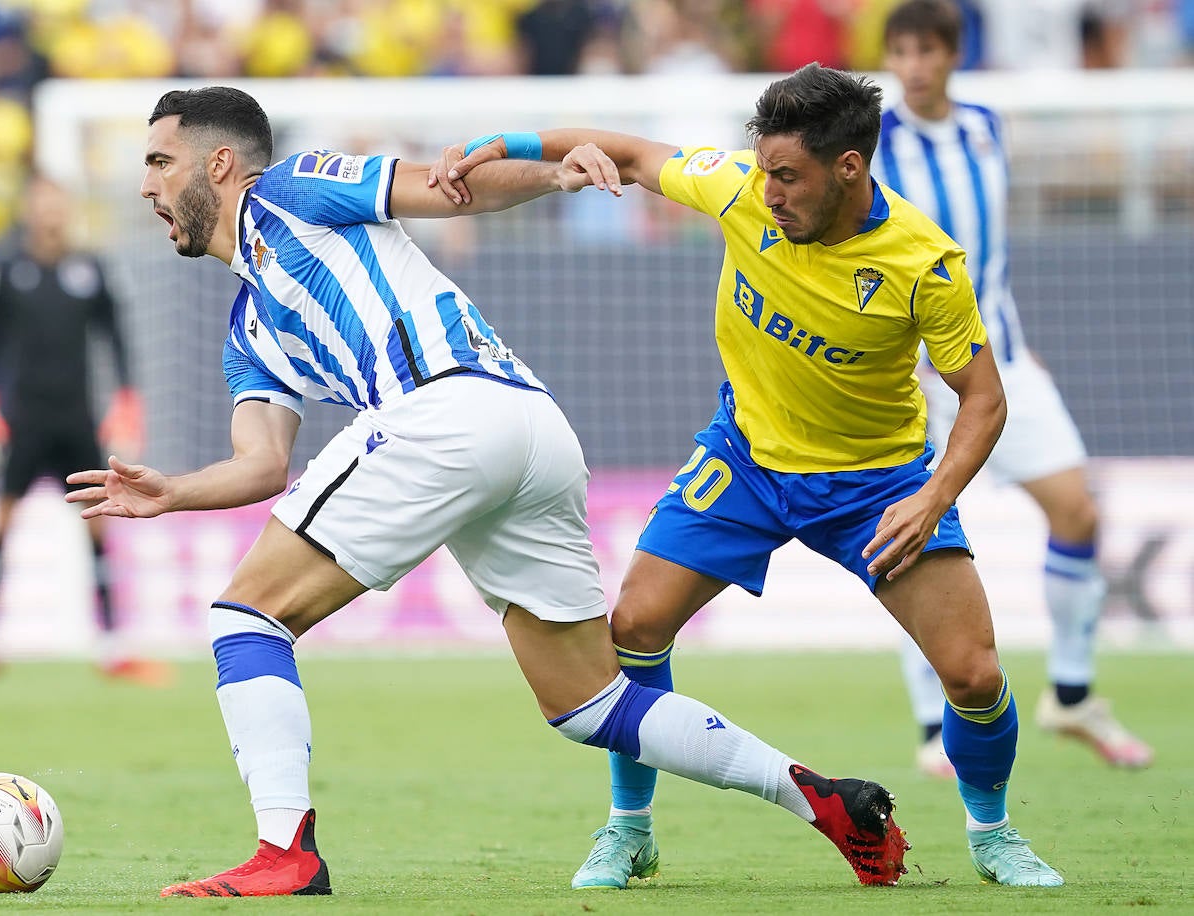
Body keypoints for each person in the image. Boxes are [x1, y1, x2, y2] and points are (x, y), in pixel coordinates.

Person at [64, 85, 909, 898]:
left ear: (219, 165)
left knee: (248, 619)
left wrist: (554, 174)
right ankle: (820, 798)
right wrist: (172, 490)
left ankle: (284, 854)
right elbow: (259, 465)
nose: (146, 185)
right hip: (530, 428)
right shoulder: (250, 331)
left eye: (159, 161)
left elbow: (447, 186)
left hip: (442, 409)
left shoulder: (291, 189)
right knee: (590, 702)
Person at [435, 63, 1064, 888]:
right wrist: (506, 142)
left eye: (788, 176)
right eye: (764, 170)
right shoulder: (740, 190)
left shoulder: (924, 263)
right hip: (745, 462)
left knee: (974, 674)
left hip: (875, 484)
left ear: (849, 167)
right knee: (633, 628)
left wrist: (933, 496)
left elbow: (984, 399)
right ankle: (629, 829)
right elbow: (630, 152)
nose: (770, 193)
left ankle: (993, 834)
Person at [874, 0, 1152, 778]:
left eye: (927, 51)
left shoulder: (985, 127)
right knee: (913, 537)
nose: (914, 66)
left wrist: (1017, 343)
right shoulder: (873, 146)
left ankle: (1071, 693)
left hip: (1001, 361)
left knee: (1077, 510)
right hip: (915, 377)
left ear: (952, 55)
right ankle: (932, 726)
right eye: (901, 52)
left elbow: (985, 258)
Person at [0, 173, 167, 687]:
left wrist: (127, 403)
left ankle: (113, 646)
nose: (50, 213)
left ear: (67, 211)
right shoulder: (8, 271)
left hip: (76, 418)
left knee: (98, 524)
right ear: (29, 211)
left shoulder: (90, 270)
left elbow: (116, 340)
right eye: (41, 203)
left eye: (57, 203)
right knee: (2, 523)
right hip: (25, 420)